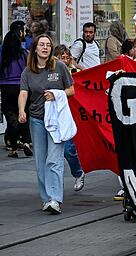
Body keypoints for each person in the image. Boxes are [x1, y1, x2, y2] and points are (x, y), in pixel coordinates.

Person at [18, 34, 75, 214]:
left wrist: (57, 94)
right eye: (41, 45)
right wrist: (22, 110)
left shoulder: (59, 66)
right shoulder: (28, 71)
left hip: (56, 120)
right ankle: (45, 198)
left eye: (48, 45)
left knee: (54, 159)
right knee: (40, 161)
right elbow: (23, 93)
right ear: (35, 48)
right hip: (37, 120)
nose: (45, 48)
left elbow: (72, 90)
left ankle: (55, 199)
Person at [52, 45, 86, 192]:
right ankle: (54, 186)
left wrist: (75, 67)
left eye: (67, 57)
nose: (65, 60)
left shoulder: (75, 72)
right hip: (53, 115)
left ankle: (78, 172)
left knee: (68, 149)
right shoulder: (51, 72)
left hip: (71, 115)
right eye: (62, 58)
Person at [1, 27, 32, 157]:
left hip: (6, 88)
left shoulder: (2, 54)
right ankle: (26, 142)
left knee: (11, 118)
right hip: (22, 88)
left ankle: (13, 149)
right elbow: (30, 69)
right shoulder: (24, 53)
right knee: (23, 114)